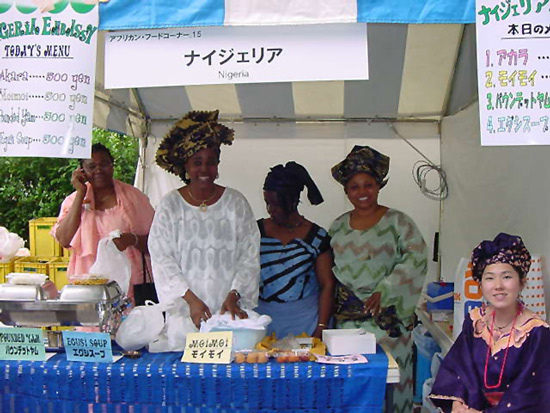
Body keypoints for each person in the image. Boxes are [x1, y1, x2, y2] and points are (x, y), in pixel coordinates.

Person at [148, 110, 260, 352]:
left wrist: (234, 295)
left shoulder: (236, 203)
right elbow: (162, 258)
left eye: (211, 161)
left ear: (218, 164)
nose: (204, 169)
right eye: (197, 162)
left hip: (228, 315)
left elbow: (248, 256)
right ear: (185, 166)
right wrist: (191, 300)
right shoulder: (170, 206)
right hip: (185, 317)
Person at [329, 145, 428, 413]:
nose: (362, 192)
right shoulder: (337, 227)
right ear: (346, 191)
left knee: (393, 390)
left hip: (389, 327)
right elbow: (330, 273)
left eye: (368, 185)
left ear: (379, 185)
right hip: (349, 328)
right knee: (354, 390)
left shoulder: (399, 223)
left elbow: (416, 259)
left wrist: (386, 290)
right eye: (354, 187)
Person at [429, 233, 550, 412]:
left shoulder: (537, 332)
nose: (498, 285)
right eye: (489, 277)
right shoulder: (475, 321)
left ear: (522, 283)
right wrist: (458, 403)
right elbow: (459, 369)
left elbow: (531, 393)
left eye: (507, 277)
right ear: (480, 285)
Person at [53, 143, 155, 303]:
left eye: (104, 164)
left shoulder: (135, 198)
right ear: (82, 171)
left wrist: (132, 239)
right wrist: (81, 193)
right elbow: (64, 239)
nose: (99, 170)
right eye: (91, 166)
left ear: (112, 166)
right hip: (89, 289)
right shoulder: (73, 201)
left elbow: (158, 243)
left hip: (131, 289)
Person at [255, 162, 335, 339]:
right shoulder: (255, 231)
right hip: (262, 320)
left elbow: (327, 285)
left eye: (276, 204)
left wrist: (321, 327)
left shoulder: (317, 237)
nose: (270, 210)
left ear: (292, 200)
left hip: (307, 321)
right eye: (267, 203)